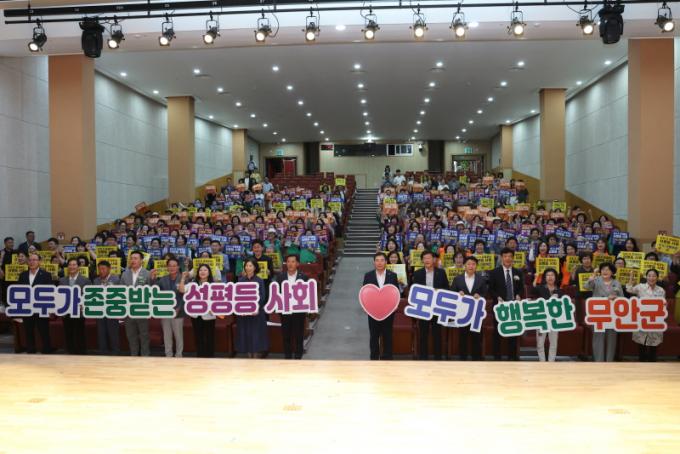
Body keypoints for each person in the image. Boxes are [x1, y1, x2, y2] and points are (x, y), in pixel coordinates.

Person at [488, 248, 525, 360]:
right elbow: (491, 289)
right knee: (498, 332)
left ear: (513, 258)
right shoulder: (494, 272)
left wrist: (518, 295)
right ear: (501, 258)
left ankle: (512, 357)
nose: (507, 258)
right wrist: (497, 297)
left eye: (510, 256)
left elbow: (521, 288)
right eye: (505, 256)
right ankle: (497, 357)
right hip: (500, 306)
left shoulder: (518, 272)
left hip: (513, 306)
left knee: (513, 332)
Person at [412, 250, 449, 360]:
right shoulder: (417, 273)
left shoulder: (441, 273)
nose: (427, 260)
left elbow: (447, 288)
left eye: (429, 258)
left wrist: (439, 291)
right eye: (425, 258)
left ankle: (438, 358)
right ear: (422, 260)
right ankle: (423, 358)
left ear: (434, 260)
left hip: (437, 307)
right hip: (423, 308)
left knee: (437, 334)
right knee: (423, 334)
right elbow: (414, 290)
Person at [362, 252, 400, 360]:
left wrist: (395, 304)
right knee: (374, 336)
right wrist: (365, 306)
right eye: (377, 260)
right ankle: (374, 358)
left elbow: (396, 292)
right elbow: (365, 293)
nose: (379, 263)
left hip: (388, 312)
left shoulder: (393, 275)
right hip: (373, 312)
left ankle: (387, 358)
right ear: (374, 262)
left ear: (386, 262)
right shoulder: (368, 275)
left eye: (382, 260)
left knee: (387, 335)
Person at [584, 262, 624, 362]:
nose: (605, 271)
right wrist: (592, 276)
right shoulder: (596, 280)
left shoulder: (617, 283)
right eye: (603, 269)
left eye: (607, 269)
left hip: (612, 314)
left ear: (612, 272)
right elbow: (586, 286)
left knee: (611, 338)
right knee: (598, 337)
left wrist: (616, 297)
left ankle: (609, 361)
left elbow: (622, 299)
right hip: (598, 313)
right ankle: (599, 361)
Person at [451, 256, 488, 361]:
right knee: (462, 337)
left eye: (473, 264)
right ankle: (463, 359)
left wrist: (480, 296)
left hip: (476, 313)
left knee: (476, 337)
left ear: (476, 266)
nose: (471, 266)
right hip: (462, 313)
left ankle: (476, 359)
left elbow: (485, 293)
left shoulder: (482, 279)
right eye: (468, 264)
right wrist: (458, 294)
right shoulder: (457, 279)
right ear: (464, 266)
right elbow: (452, 293)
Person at [626, 268, 667, 362]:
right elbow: (629, 289)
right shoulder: (640, 287)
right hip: (642, 320)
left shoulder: (661, 290)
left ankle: (652, 364)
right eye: (649, 276)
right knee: (641, 345)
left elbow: (663, 305)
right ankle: (642, 364)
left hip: (655, 320)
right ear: (646, 277)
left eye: (654, 276)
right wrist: (631, 277)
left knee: (654, 346)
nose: (651, 278)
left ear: (657, 277)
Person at [17, 253, 54, 354]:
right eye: (30, 260)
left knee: (44, 331)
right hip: (27, 308)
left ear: (39, 262)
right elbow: (19, 292)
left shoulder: (46, 275)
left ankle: (47, 350)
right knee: (28, 331)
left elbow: (50, 292)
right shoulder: (22, 275)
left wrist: (50, 309)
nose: (32, 262)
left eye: (34, 260)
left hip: (41, 308)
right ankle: (30, 350)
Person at [275, 254, 309, 359]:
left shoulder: (303, 277)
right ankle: (288, 357)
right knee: (286, 336)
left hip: (299, 312)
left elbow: (308, 294)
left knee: (299, 335)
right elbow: (276, 293)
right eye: (288, 262)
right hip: (285, 311)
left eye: (293, 261)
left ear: (297, 264)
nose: (290, 264)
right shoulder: (280, 277)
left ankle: (298, 357)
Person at [180, 264, 216, 358]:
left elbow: (219, 300)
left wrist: (214, 309)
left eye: (205, 270)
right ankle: (200, 357)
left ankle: (210, 358)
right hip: (196, 315)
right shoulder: (193, 284)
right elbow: (182, 290)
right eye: (200, 270)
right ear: (198, 273)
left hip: (209, 315)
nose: (202, 272)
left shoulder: (213, 285)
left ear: (209, 273)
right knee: (198, 337)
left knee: (210, 338)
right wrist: (183, 278)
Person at [120, 250, 152, 356]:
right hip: (128, 310)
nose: (133, 260)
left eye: (135, 258)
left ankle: (145, 356)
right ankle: (133, 356)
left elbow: (152, 291)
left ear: (141, 260)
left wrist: (153, 280)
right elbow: (121, 291)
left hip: (142, 309)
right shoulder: (125, 274)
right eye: (131, 258)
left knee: (144, 335)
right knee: (131, 335)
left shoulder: (147, 274)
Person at [236, 257, 268, 358]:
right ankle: (249, 356)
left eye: (250, 265)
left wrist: (255, 308)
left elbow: (262, 296)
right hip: (244, 313)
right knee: (246, 334)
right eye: (246, 265)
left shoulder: (259, 280)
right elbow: (237, 296)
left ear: (255, 268)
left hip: (256, 313)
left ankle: (256, 356)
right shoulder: (240, 280)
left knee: (256, 334)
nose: (248, 267)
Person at [58, 258, 90, 355]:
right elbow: (59, 296)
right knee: (68, 333)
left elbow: (88, 296)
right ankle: (70, 352)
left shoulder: (85, 280)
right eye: (70, 265)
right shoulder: (62, 280)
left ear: (78, 267)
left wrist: (84, 305)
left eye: (74, 265)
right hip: (66, 312)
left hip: (79, 312)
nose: (72, 267)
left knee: (79, 333)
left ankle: (81, 352)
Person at [158, 257, 185, 358]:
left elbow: (186, 296)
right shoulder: (162, 279)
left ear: (178, 267)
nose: (172, 268)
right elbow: (156, 292)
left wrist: (179, 308)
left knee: (178, 335)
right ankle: (168, 355)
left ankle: (179, 355)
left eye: (174, 266)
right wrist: (152, 279)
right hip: (165, 311)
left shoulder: (183, 278)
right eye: (170, 266)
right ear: (167, 267)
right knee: (167, 335)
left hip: (178, 311)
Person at [92, 260, 121, 355]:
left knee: (113, 334)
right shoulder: (96, 281)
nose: (101, 271)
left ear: (109, 269)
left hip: (112, 310)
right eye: (99, 269)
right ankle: (102, 352)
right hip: (100, 311)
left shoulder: (116, 279)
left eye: (103, 269)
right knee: (101, 333)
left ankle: (115, 352)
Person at [535, 268, 563, 362]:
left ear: (556, 277)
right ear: (544, 277)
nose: (550, 277)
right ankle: (542, 363)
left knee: (553, 343)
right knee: (540, 343)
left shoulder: (560, 290)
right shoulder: (539, 288)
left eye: (552, 275)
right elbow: (531, 298)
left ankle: (551, 363)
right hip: (541, 319)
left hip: (555, 320)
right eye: (548, 275)